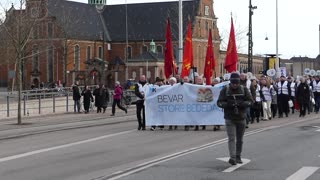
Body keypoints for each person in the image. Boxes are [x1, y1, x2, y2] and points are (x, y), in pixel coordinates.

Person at [217, 72, 253, 165]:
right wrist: (229, 104)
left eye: (237, 83)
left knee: (240, 139)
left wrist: (242, 104)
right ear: (230, 82)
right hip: (230, 117)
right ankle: (232, 157)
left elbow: (250, 101)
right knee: (231, 138)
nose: (235, 85)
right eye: (233, 83)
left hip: (241, 117)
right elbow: (219, 102)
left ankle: (238, 155)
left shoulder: (244, 89)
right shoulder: (225, 90)